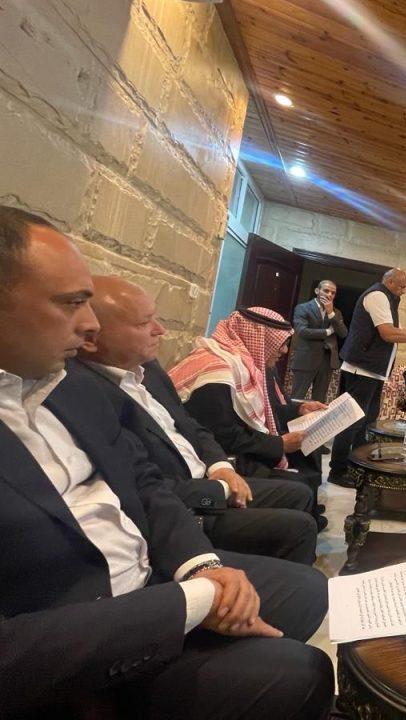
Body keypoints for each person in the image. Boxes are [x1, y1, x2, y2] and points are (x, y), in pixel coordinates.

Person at [0, 208, 332, 719]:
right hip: (86, 630)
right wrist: (193, 601)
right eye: (71, 303)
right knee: (302, 671)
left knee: (309, 590)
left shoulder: (69, 386)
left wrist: (202, 566)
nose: (89, 326)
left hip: (157, 569)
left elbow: (147, 482)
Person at [79, 276, 318, 565]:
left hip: (209, 470)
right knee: (299, 519)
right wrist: (227, 482)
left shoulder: (149, 370)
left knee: (301, 489)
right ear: (91, 337)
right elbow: (224, 435)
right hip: (188, 499)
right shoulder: (214, 371)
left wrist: (221, 468)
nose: (160, 330)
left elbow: (192, 427)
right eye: (144, 323)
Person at [167, 307, 329, 530]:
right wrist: (279, 444)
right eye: (280, 343)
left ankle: (310, 516)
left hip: (239, 446)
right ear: (260, 338)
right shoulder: (217, 372)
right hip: (220, 458)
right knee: (297, 485)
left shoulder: (244, 364)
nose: (283, 350)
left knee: (309, 454)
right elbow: (224, 435)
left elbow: (267, 409)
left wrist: (300, 409)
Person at [326, 269, 406, 485]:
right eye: (401, 286)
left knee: (367, 421)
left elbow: (396, 332)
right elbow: (388, 333)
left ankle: (357, 466)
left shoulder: (390, 300)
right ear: (389, 281)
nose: (404, 291)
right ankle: (337, 471)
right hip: (362, 369)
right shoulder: (377, 295)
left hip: (373, 371)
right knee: (352, 422)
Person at [290, 279, 347, 403]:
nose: (329, 295)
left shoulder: (336, 313)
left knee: (319, 401)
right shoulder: (303, 308)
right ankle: (290, 416)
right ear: (317, 291)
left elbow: (343, 333)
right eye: (326, 291)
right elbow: (302, 331)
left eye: (333, 293)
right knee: (296, 398)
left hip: (326, 362)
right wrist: (328, 332)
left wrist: (330, 313)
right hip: (306, 359)